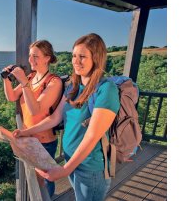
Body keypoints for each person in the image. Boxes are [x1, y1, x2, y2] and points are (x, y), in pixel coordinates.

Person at [14, 34, 119, 201]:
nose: (76, 61)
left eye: (82, 56)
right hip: (73, 161)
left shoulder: (106, 90)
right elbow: (54, 118)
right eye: (74, 56)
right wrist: (27, 132)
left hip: (91, 167)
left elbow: (92, 136)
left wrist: (65, 170)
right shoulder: (73, 86)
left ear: (96, 58)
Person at [2, 40, 63, 198]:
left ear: (47, 58)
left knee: (43, 181)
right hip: (27, 137)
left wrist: (23, 82)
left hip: (44, 141)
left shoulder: (53, 82)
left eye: (35, 56)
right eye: (30, 56)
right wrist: (6, 79)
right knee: (34, 180)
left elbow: (35, 110)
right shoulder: (32, 77)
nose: (30, 60)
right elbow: (11, 96)